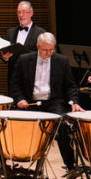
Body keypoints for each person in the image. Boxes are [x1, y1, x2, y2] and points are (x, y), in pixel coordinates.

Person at [9, 32, 83, 171]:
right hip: (30, 103)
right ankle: (10, 164)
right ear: (38, 47)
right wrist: (20, 99)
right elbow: (15, 84)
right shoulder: (24, 60)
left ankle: (71, 167)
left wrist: (74, 101)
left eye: (51, 49)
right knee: (14, 126)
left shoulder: (62, 60)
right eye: (45, 50)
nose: (49, 53)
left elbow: (70, 86)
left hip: (53, 103)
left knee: (63, 126)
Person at [3, 1, 45, 82]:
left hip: (32, 77)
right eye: (19, 12)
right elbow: (5, 55)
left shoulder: (40, 33)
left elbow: (43, 56)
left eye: (24, 12)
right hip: (13, 77)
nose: (21, 15)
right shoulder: (10, 32)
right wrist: (5, 57)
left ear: (31, 13)